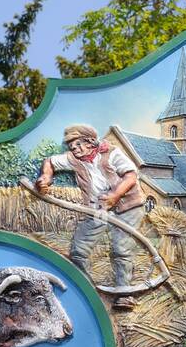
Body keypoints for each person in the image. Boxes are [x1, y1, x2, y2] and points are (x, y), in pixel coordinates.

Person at [36, 124, 145, 312]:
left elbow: (131, 177)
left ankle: (125, 294)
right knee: (79, 248)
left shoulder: (112, 154)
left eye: (78, 145)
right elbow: (50, 162)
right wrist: (46, 177)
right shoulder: (73, 159)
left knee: (121, 248)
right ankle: (86, 289)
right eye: (71, 147)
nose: (74, 150)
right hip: (98, 208)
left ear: (90, 142)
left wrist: (115, 196)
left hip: (127, 206)